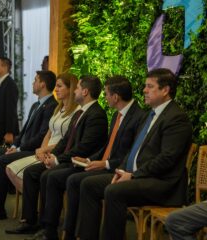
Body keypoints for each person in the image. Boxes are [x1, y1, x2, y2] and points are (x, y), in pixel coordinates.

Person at [76, 68, 193, 240]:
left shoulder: (176, 118)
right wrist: (121, 171)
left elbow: (167, 159)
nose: (144, 90)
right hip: (138, 176)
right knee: (88, 184)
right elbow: (133, 151)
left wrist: (133, 175)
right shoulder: (149, 115)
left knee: (114, 191)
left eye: (150, 86)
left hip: (162, 183)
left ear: (165, 90)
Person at [10, 76, 109, 239]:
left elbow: (84, 147)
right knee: (34, 172)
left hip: (81, 162)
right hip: (69, 158)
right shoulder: (81, 112)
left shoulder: (96, 114)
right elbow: (65, 141)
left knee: (50, 176)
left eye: (76, 88)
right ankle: (39, 224)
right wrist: (53, 156)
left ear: (85, 91)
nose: (74, 91)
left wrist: (57, 160)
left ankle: (50, 230)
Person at [0, 70, 57, 221]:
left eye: (35, 80)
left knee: (1, 160)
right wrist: (14, 145)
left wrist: (19, 148)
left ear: (43, 84)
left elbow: (41, 136)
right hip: (22, 147)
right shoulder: (36, 105)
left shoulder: (52, 106)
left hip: (33, 151)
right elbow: (25, 130)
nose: (33, 83)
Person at [61, 76, 145, 239]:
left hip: (120, 169)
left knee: (82, 181)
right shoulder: (116, 115)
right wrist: (91, 160)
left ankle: (84, 235)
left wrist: (105, 164)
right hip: (107, 165)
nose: (104, 98)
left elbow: (131, 154)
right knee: (74, 178)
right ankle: (72, 233)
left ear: (115, 97)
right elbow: (108, 146)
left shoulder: (139, 117)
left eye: (106, 94)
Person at [5, 73, 79, 193]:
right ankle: (34, 198)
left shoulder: (77, 111)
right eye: (56, 86)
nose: (55, 89)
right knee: (9, 169)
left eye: (59, 86)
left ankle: (34, 201)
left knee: (22, 171)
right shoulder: (58, 108)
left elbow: (67, 140)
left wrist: (45, 150)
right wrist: (42, 150)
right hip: (45, 151)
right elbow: (48, 133)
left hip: (57, 153)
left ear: (70, 89)